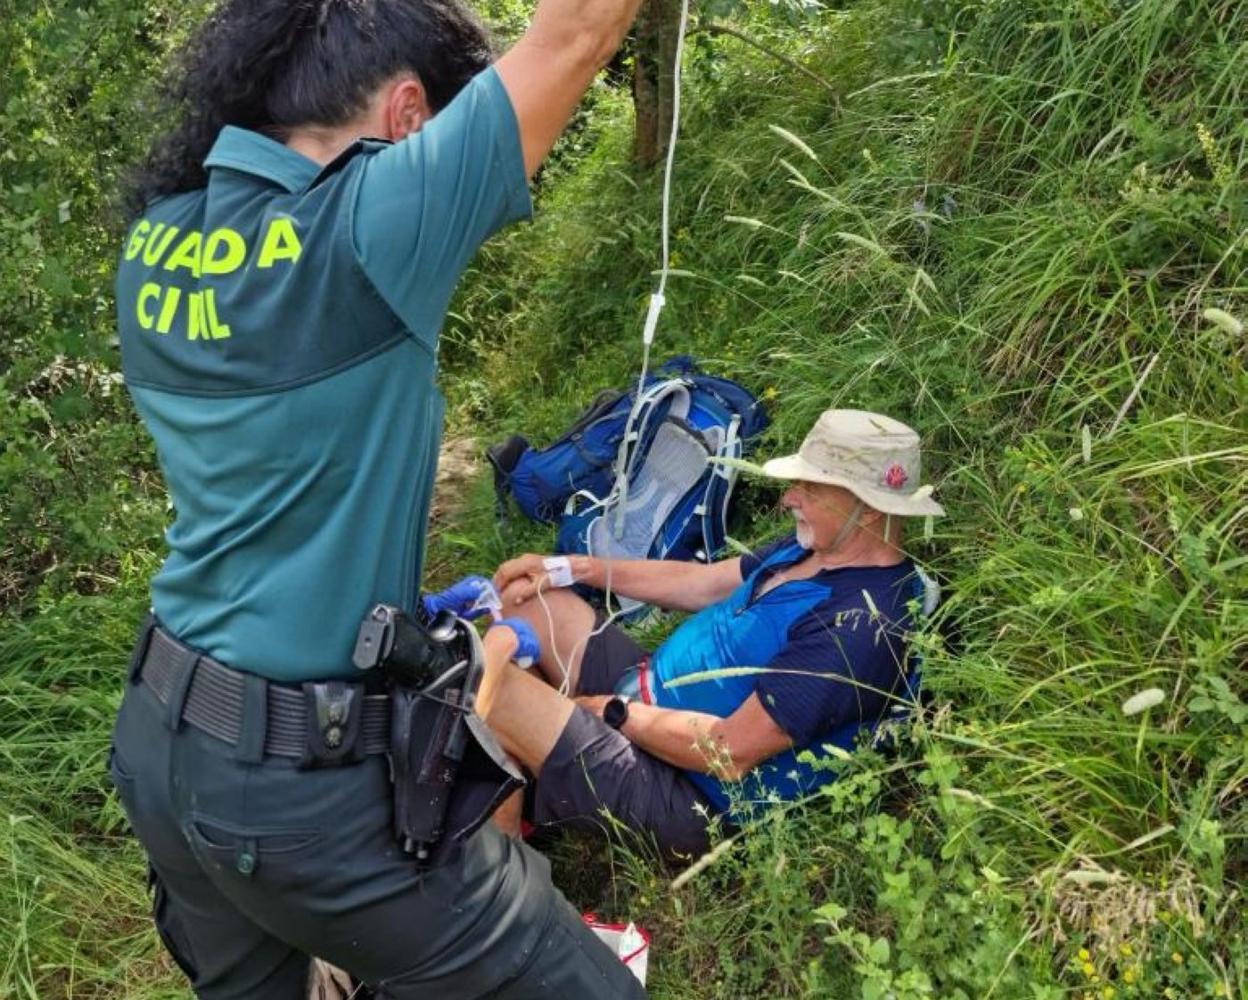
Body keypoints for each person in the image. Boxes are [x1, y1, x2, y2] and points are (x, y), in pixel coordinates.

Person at [108, 0, 651, 996]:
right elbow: (578, 31)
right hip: (298, 787)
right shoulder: (363, 228)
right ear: (408, 112)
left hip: (160, 736)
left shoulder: (155, 240)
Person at [476, 409, 945, 856]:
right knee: (526, 598)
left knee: (491, 689)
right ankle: (524, 777)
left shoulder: (860, 625)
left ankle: (499, 886)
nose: (788, 498)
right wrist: (573, 569)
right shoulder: (818, 548)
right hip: (642, 694)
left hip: (681, 790)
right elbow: (702, 583)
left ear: (865, 510)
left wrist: (612, 712)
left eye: (811, 487)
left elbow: (730, 751)